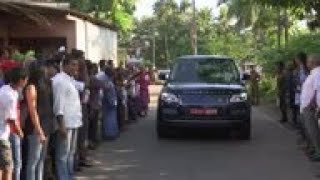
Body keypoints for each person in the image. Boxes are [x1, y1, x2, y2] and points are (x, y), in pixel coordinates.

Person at [52, 55, 82, 180]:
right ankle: (63, 177)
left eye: (77, 65)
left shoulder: (70, 79)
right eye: (73, 64)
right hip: (66, 123)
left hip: (74, 122)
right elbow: (58, 104)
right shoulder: (59, 81)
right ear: (65, 65)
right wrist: (61, 125)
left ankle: (69, 175)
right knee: (62, 155)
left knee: (71, 153)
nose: (76, 67)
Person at [24, 62, 56, 180]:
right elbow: (33, 110)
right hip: (36, 127)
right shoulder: (31, 87)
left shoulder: (47, 84)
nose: (46, 70)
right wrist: (39, 130)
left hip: (45, 125)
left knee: (40, 160)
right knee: (34, 161)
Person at [0, 67, 27, 180]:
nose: (26, 82)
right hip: (3, 136)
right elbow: (12, 119)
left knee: (1, 166)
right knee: (8, 167)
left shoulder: (4, 89)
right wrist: (20, 132)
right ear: (20, 80)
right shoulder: (11, 96)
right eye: (25, 79)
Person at [300, 54, 320, 161]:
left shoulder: (317, 73)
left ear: (313, 62)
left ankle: (318, 151)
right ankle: (315, 149)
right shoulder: (314, 73)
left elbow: (318, 90)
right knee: (310, 129)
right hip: (307, 107)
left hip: (311, 107)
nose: (307, 63)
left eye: (308, 61)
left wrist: (312, 104)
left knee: (313, 130)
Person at [101, 67, 119, 140]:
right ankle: (109, 134)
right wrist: (111, 101)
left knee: (112, 118)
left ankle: (113, 133)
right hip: (108, 102)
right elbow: (107, 92)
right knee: (109, 119)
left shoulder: (109, 80)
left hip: (112, 101)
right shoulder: (106, 80)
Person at [88, 63, 102, 148]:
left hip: (93, 103)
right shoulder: (93, 78)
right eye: (95, 68)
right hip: (93, 104)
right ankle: (92, 141)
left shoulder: (90, 78)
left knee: (92, 125)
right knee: (93, 125)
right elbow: (101, 85)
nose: (97, 69)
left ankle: (92, 140)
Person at [293, 52, 309, 128]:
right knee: (300, 111)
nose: (295, 60)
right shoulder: (299, 68)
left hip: (303, 93)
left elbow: (303, 80)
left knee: (303, 111)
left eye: (296, 58)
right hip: (299, 92)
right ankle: (303, 129)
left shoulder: (304, 68)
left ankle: (305, 130)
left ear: (299, 59)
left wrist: (298, 83)